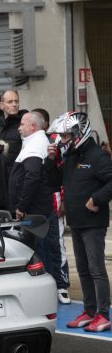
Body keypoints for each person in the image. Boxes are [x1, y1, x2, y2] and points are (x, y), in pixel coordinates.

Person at [47, 112, 112, 331]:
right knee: (83, 270)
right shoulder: (71, 156)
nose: (62, 140)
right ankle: (90, 310)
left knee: (96, 270)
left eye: (65, 136)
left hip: (93, 224)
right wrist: (50, 160)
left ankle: (103, 314)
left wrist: (97, 199)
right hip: (76, 222)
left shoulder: (97, 156)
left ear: (78, 133)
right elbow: (54, 182)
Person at [8, 112, 67, 297]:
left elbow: (32, 177)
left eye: (23, 124)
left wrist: (22, 206)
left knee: (45, 247)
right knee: (43, 246)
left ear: (33, 126)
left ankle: (54, 287)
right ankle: (54, 286)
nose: (19, 127)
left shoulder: (36, 145)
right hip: (38, 207)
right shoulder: (34, 142)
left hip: (37, 209)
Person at [0, 90, 28, 176]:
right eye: (10, 102)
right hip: (0, 177)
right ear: (1, 105)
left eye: (16, 101)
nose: (14, 104)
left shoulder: (25, 124)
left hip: (18, 176)